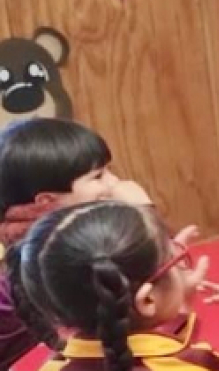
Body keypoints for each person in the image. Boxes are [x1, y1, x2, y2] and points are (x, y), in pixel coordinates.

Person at [11, 201, 219, 371]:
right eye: (175, 260)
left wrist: (179, 307)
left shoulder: (52, 367)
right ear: (147, 299)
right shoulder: (194, 364)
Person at [0, 118, 157, 367]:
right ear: (47, 201)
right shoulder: (63, 260)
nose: (114, 183)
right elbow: (161, 297)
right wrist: (144, 214)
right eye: (98, 176)